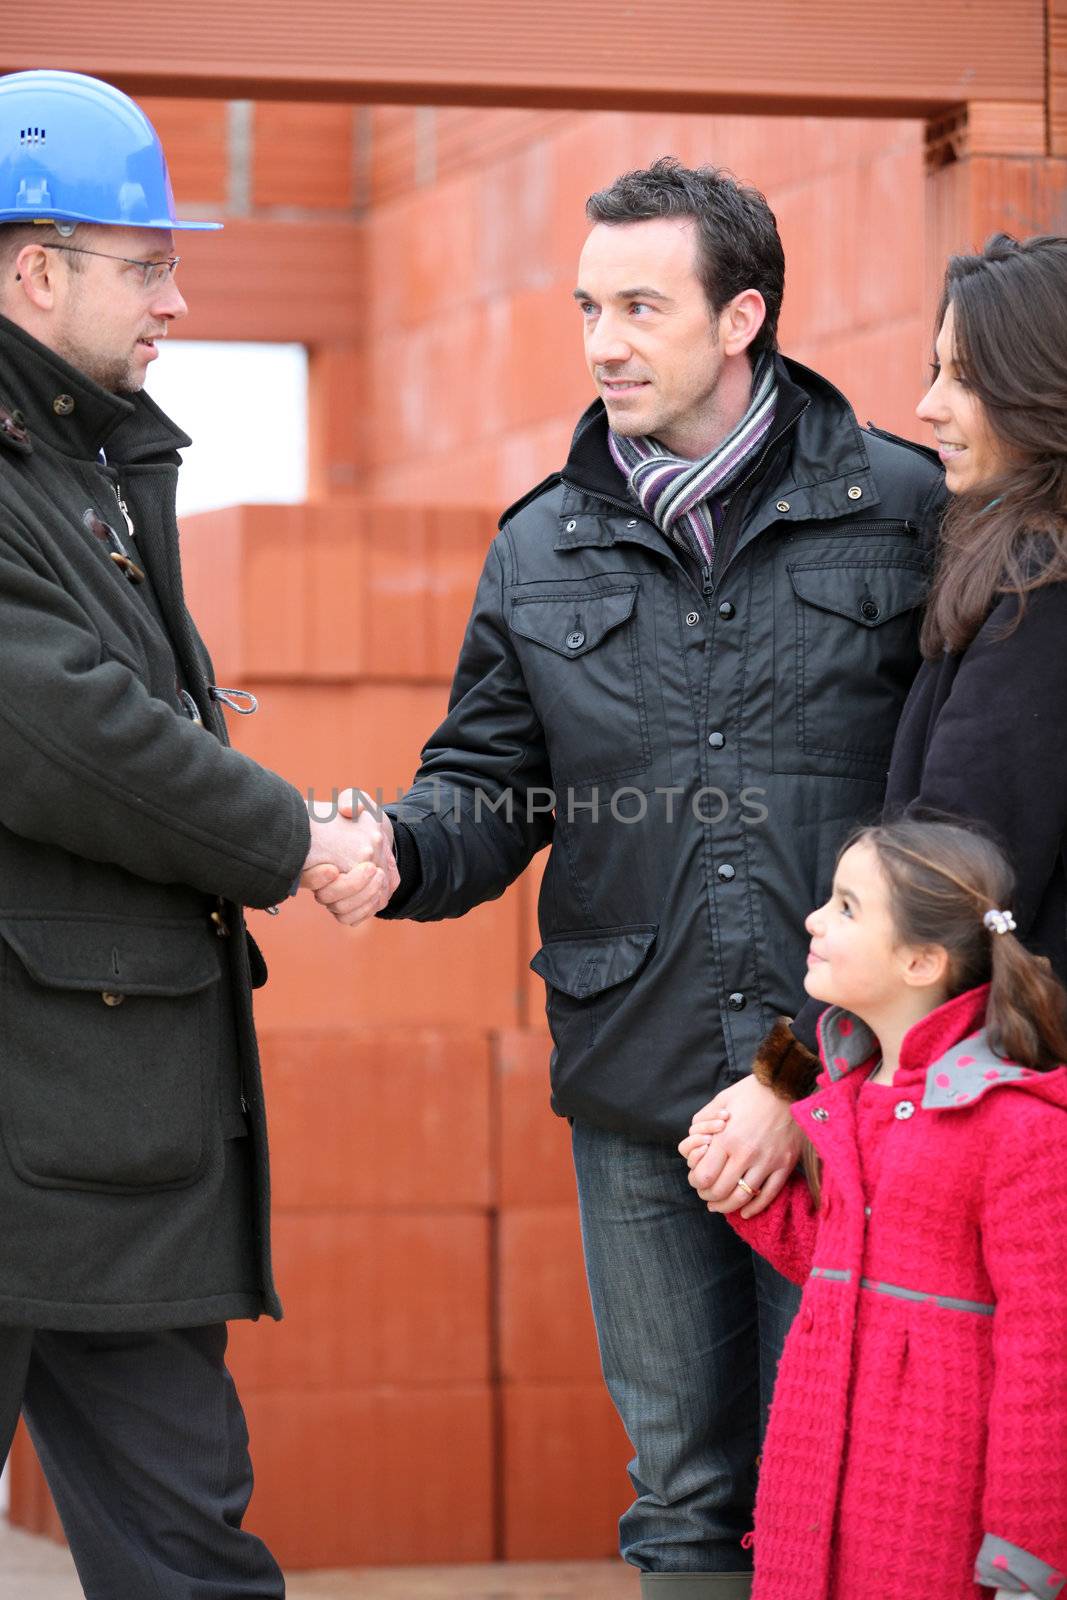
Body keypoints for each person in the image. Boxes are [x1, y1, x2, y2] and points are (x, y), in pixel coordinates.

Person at [305, 159, 944, 1595]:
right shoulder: (542, 541)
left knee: (841, 1469)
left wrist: (794, 1076)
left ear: (740, 318)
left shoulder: (902, 508)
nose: (600, 340)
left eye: (639, 306)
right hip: (637, 1083)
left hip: (841, 1079)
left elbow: (952, 821)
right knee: (680, 1494)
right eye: (587, 305)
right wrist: (396, 847)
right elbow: (488, 781)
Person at [0, 69, 392, 1599]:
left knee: (184, 1546)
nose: (178, 293)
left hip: (94, 1136)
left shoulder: (83, 461)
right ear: (34, 270)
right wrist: (293, 838)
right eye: (145, 260)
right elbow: (61, 725)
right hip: (53, 1112)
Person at [687, 233, 1067, 1153]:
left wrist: (786, 1080)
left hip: (1000, 1119)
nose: (927, 406)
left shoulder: (1039, 587)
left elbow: (941, 888)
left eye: (963, 379)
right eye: (934, 369)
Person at [682, 818, 1067, 1600]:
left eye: (848, 908)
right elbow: (852, 1263)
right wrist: (743, 1193)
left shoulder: (1018, 1127)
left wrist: (1027, 1551)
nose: (814, 920)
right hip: (811, 1491)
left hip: (931, 1515)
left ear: (921, 961)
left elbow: (1047, 1356)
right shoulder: (846, 1100)